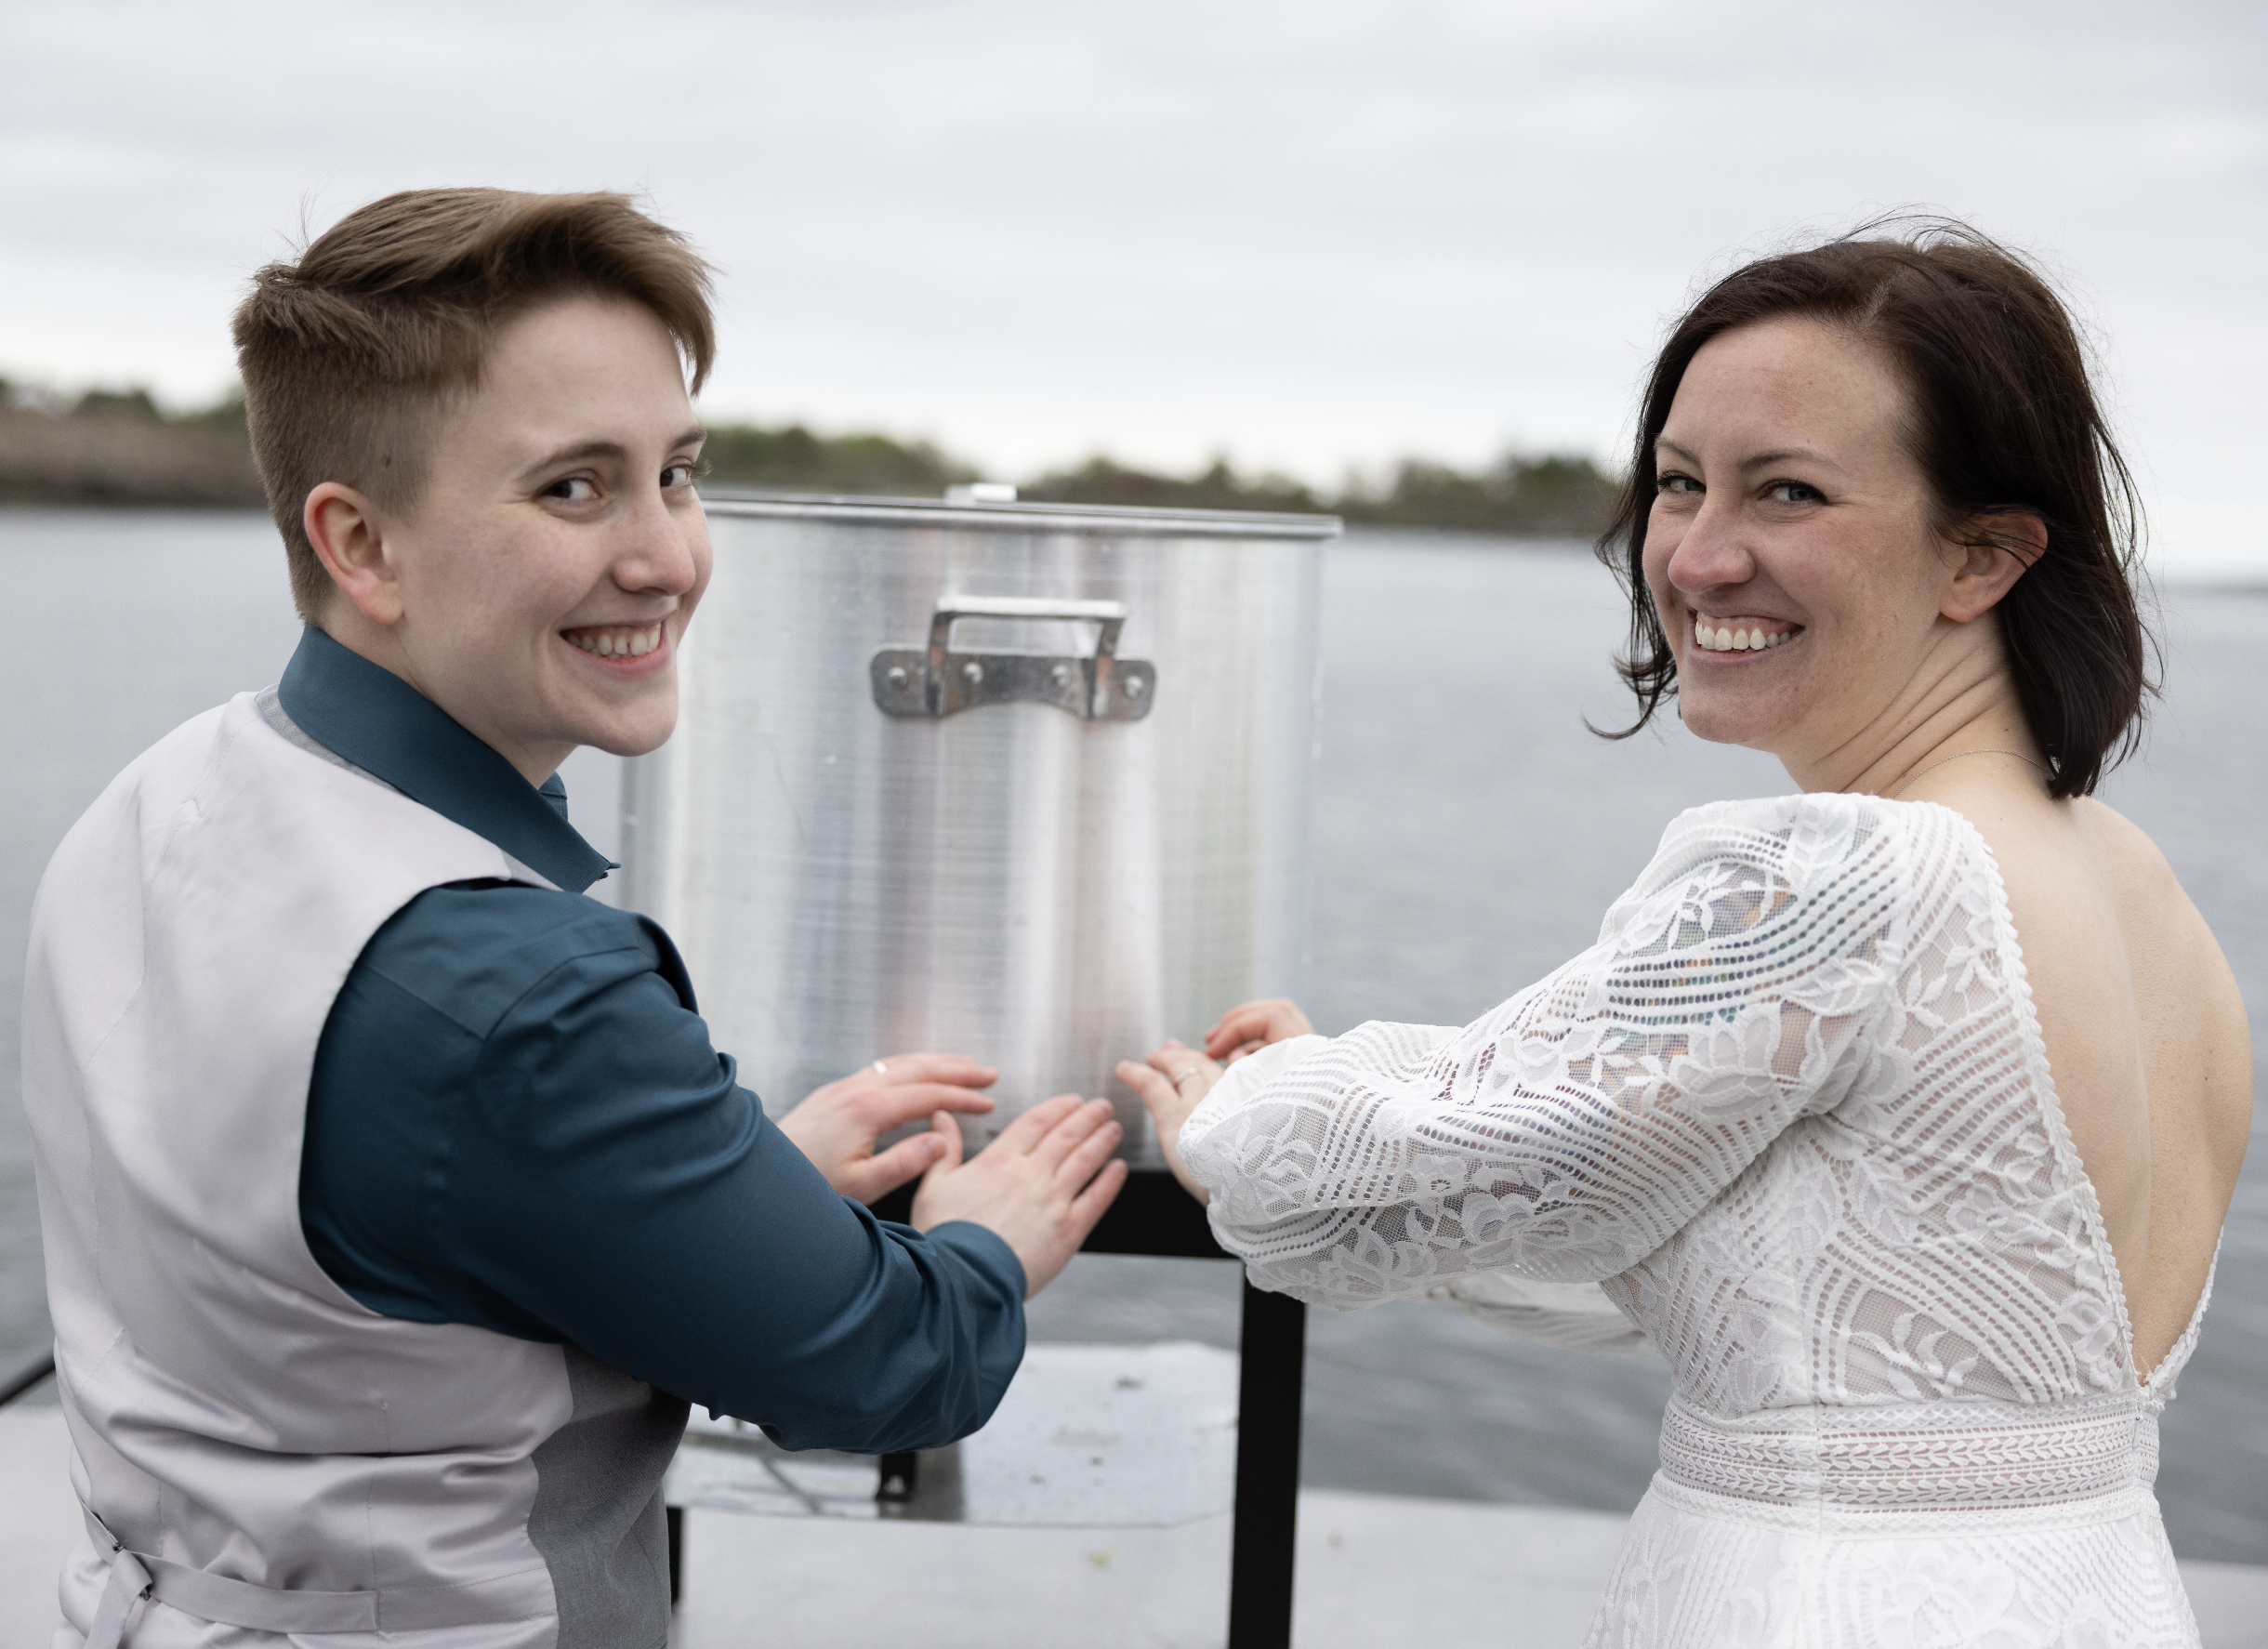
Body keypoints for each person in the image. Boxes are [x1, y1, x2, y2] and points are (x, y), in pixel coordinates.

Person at [21, 187, 1127, 1649]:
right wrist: (982, 1242)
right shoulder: (515, 997)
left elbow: (340, 1246)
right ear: (361, 546)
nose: (668, 556)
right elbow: (882, 1363)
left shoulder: (158, 801)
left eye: (679, 472)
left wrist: (732, 1182)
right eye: (573, 488)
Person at [1121, 220, 2251, 1647]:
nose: (1702, 555)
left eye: (1788, 491)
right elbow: (1721, 1233)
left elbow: (1374, 1183)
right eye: (1677, 483)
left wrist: (1240, 1111)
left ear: (1982, 556)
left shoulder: (1844, 868)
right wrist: (1374, 1072)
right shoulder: (2140, 887)